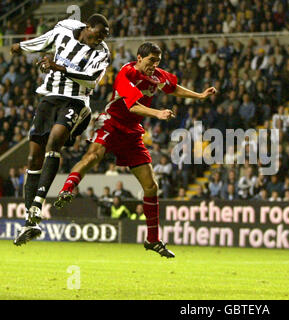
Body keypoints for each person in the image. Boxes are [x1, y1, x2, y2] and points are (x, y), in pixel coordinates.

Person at [54, 42, 217, 258]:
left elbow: (172, 88)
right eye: (151, 61)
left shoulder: (157, 76)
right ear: (139, 58)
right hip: (112, 122)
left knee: (151, 186)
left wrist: (200, 96)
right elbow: (132, 106)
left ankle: (153, 240)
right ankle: (67, 188)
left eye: (157, 62)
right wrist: (158, 113)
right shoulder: (126, 73)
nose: (154, 65)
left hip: (132, 132)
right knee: (93, 155)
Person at [13, 14, 111, 246]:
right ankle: (30, 220)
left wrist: (59, 67)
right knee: (33, 156)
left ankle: (38, 204)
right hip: (49, 97)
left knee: (54, 142)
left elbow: (91, 80)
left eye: (104, 37)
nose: (100, 40)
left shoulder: (102, 52)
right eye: (98, 35)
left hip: (76, 100)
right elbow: (46, 39)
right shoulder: (66, 28)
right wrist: (22, 46)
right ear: (88, 27)